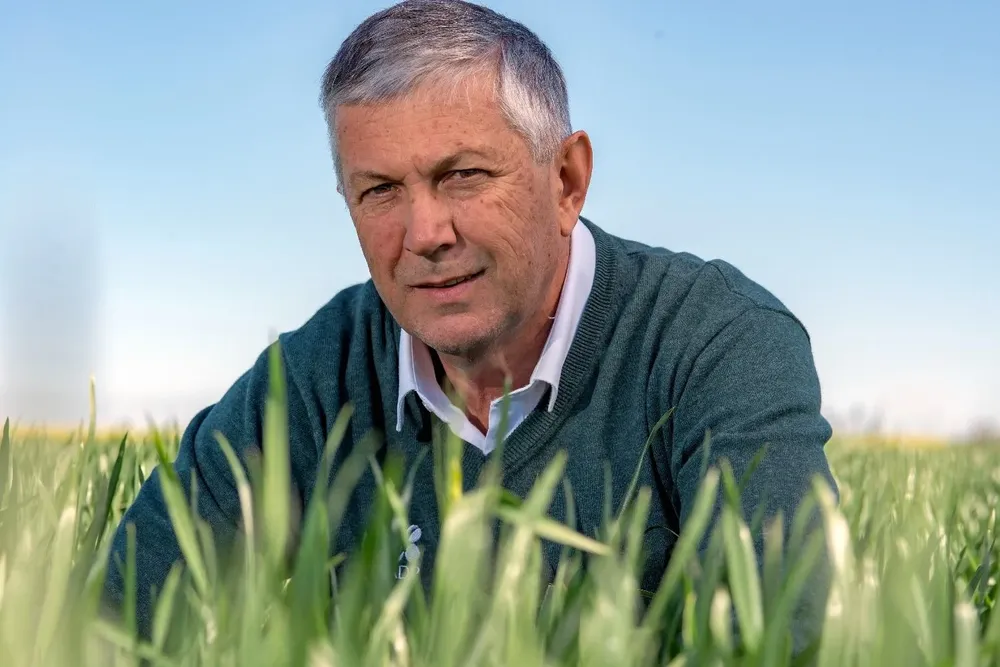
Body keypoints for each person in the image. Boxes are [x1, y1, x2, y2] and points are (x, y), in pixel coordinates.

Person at [101, 0, 837, 656]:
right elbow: (105, 619)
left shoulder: (719, 343)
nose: (425, 232)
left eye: (463, 175)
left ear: (566, 182)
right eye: (380, 189)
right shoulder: (318, 375)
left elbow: (781, 638)